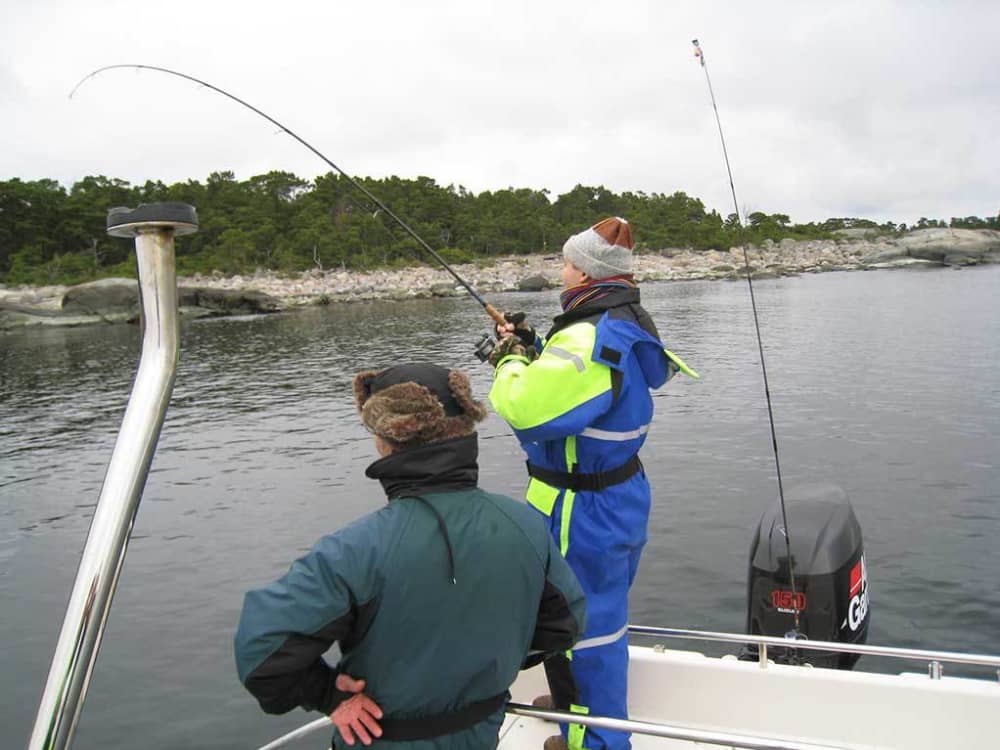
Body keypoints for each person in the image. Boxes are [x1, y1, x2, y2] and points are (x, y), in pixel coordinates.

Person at [235, 363, 587, 750]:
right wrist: (495, 659)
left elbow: (263, 654)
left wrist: (327, 695)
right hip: (482, 732)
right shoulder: (525, 525)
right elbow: (564, 625)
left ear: (387, 439)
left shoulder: (354, 550)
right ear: (465, 429)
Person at [488, 217, 695, 750]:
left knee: (579, 625)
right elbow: (580, 392)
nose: (560, 269)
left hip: (579, 507)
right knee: (600, 615)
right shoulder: (624, 320)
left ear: (582, 270)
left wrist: (509, 360)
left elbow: (529, 411)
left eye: (564, 261)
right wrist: (534, 348)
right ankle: (574, 716)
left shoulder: (587, 332)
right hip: (616, 495)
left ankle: (592, 742)